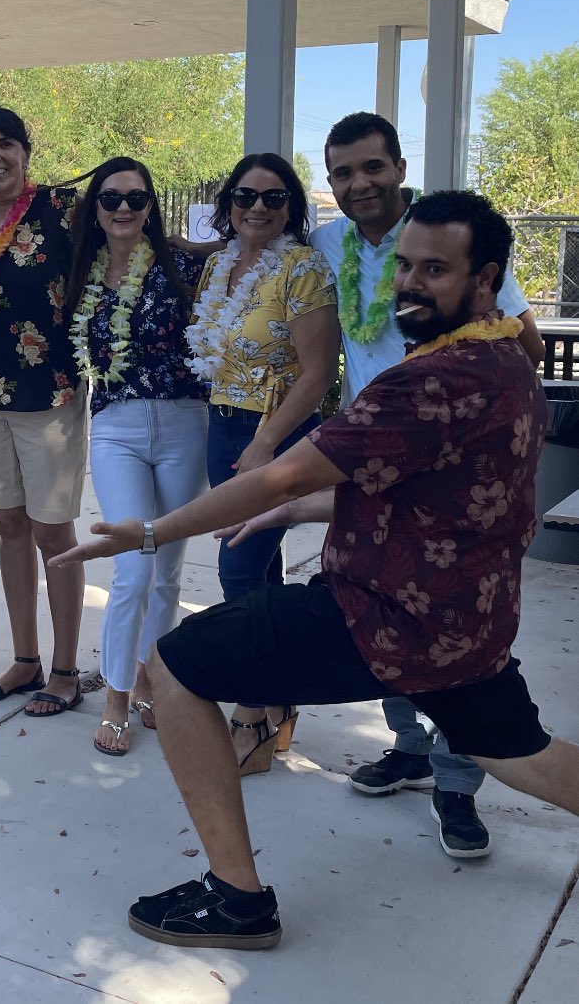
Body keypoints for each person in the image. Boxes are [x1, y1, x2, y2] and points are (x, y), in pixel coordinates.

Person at [51, 190, 579, 951]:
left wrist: (153, 531)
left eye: (436, 269)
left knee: (176, 666)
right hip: (469, 620)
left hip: (384, 614)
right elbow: (445, 491)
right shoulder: (507, 362)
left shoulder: (429, 381)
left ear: (486, 277)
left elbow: (279, 474)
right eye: (404, 265)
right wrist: (303, 512)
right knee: (516, 749)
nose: (410, 283)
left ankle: (236, 899)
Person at [311, 111, 545, 858]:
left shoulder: (443, 239)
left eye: (372, 167)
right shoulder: (329, 244)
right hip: (377, 460)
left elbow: (525, 340)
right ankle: (408, 745)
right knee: (377, 604)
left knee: (456, 626)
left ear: (399, 165)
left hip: (450, 468)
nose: (359, 183)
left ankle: (455, 781)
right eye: (343, 172)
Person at [185, 152, 340, 773]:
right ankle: (279, 695)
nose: (257, 207)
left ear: (291, 210)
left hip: (272, 431)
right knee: (261, 566)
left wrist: (266, 442)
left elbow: (319, 372)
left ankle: (250, 711)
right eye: (245, 196)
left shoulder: (301, 269)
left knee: (238, 569)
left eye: (274, 199)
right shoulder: (220, 265)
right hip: (222, 424)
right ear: (228, 205)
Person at [0, 107, 86, 718]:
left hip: (49, 397)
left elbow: (134, 231)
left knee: (53, 533)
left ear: (26, 152)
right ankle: (25, 659)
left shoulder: (61, 212)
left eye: (5, 144)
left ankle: (66, 669)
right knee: (9, 527)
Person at [66, 156, 208, 754]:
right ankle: (117, 695)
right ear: (95, 209)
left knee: (168, 570)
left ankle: (151, 676)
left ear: (150, 207)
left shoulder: (184, 265)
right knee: (133, 567)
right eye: (111, 198)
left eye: (136, 198)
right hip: (117, 426)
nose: (123, 207)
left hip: (184, 424)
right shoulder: (80, 273)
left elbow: (246, 244)